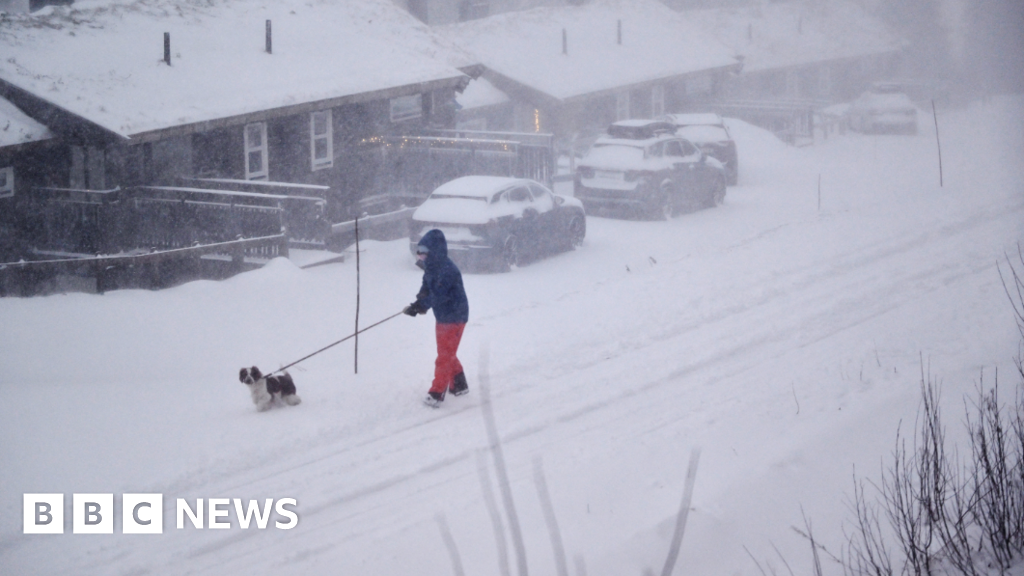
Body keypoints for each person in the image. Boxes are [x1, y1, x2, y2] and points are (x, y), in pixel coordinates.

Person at [403, 229, 470, 408]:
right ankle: (459, 384)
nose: (420, 255)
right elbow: (427, 287)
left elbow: (438, 295)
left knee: (444, 356)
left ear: (434, 251)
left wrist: (420, 306)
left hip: (455, 316)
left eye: (423, 251)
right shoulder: (432, 267)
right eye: (419, 251)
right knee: (446, 352)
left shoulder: (447, 271)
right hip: (443, 316)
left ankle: (436, 393)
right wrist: (418, 301)